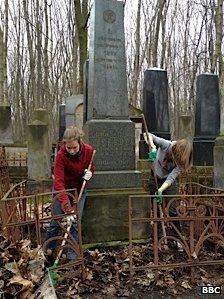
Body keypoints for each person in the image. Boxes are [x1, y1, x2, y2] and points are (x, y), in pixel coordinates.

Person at [45, 126, 95, 263]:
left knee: (75, 223)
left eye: (74, 147)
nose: (72, 151)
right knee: (56, 221)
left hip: (79, 190)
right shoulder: (61, 155)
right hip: (62, 190)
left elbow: (91, 167)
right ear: (64, 145)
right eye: (69, 148)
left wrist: (89, 174)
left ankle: (72, 256)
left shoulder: (89, 151)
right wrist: (67, 208)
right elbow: (59, 182)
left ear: (80, 142)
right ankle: (48, 251)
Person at [143, 132, 193, 248]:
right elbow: (147, 134)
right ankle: (160, 238)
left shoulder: (182, 162)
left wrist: (160, 190)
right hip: (155, 177)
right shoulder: (166, 145)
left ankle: (177, 238)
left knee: (172, 210)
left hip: (168, 183)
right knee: (156, 209)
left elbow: (171, 178)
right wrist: (153, 147)